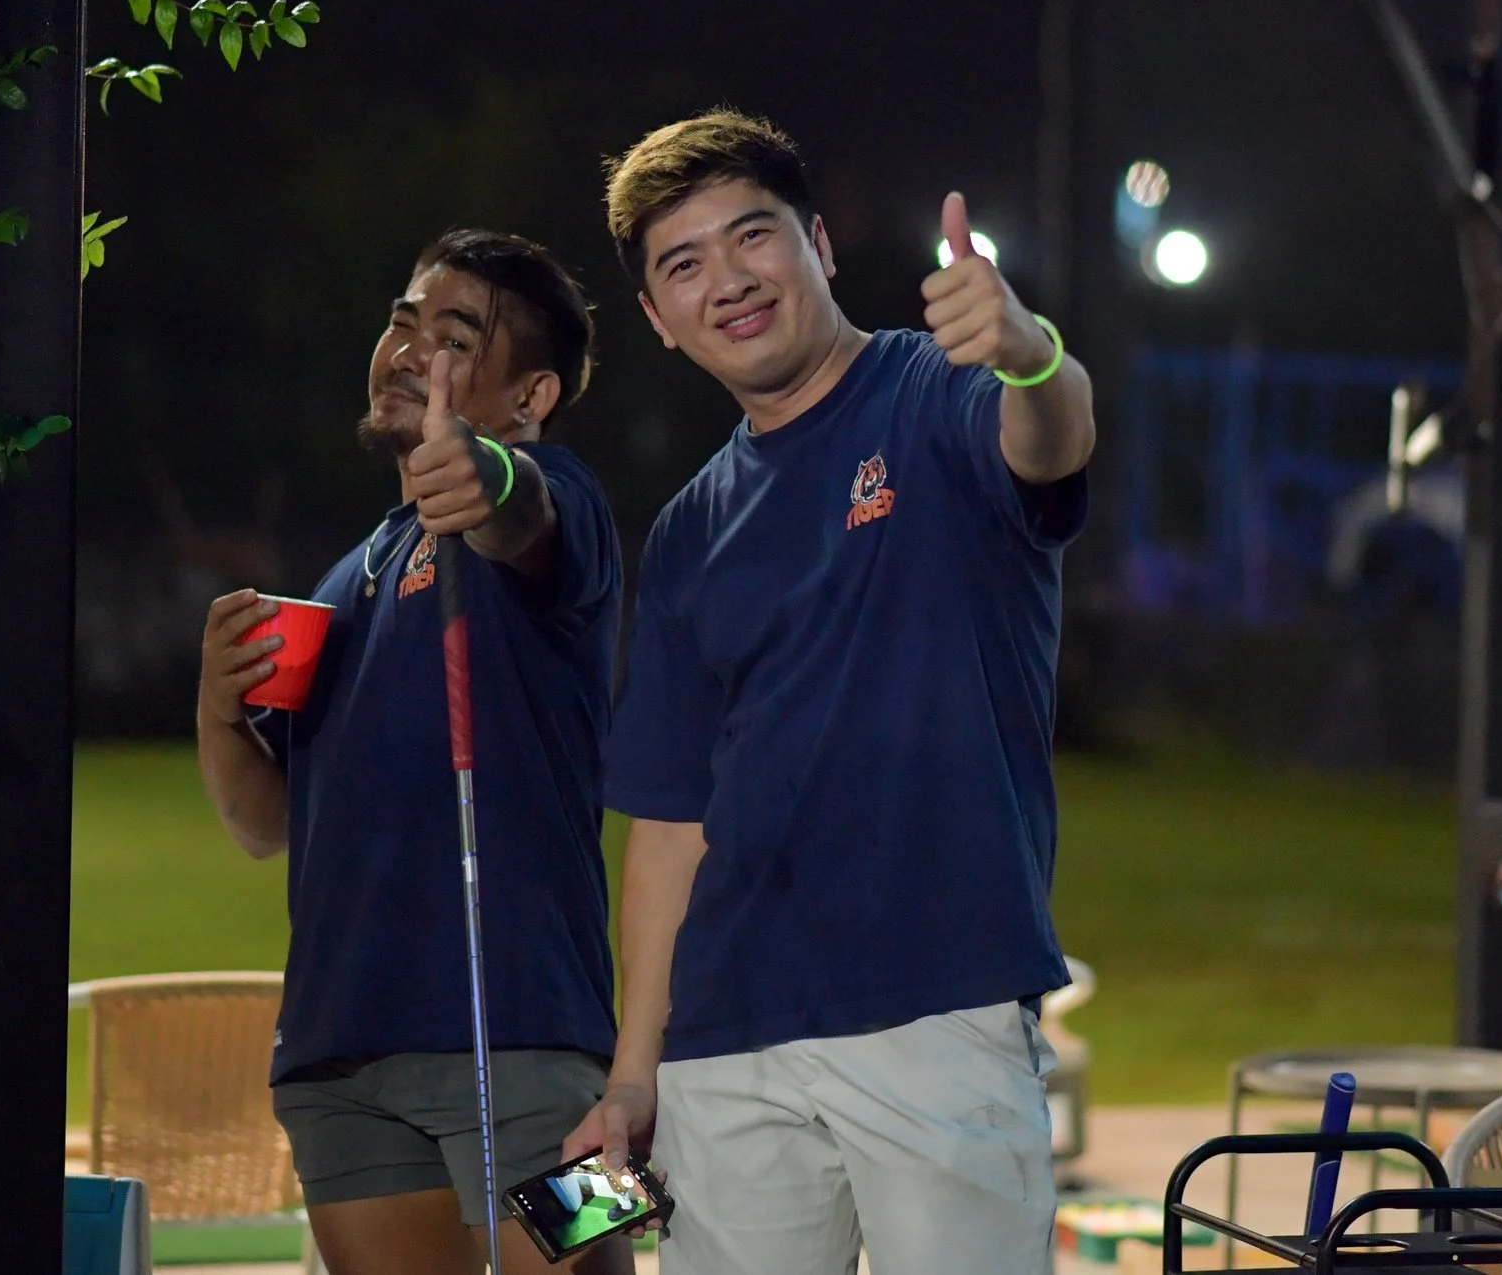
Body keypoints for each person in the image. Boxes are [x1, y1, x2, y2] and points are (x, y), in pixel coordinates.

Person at [565, 110, 1095, 1274]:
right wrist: (634, 1072)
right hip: (724, 1039)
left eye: (751, 237)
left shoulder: (937, 393)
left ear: (817, 242)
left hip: (935, 1006)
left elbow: (1049, 442)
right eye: (683, 265)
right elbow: (668, 823)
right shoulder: (692, 527)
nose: (728, 281)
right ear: (656, 318)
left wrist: (1028, 352)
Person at [195, 229, 630, 1275]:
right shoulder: (348, 574)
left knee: (603, 1257)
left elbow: (521, 513)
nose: (407, 345)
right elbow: (268, 825)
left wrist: (485, 472)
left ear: (530, 393)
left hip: (532, 1039)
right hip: (337, 1062)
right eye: (402, 317)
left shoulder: (561, 500)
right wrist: (217, 712)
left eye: (454, 333)